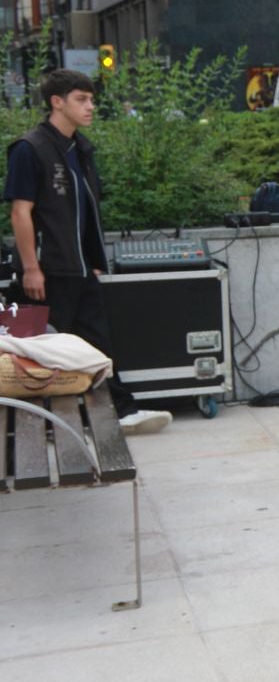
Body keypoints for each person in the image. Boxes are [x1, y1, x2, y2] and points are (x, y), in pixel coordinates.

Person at [3, 71, 172, 435]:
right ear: (57, 102)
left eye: (92, 100)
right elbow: (21, 212)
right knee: (42, 354)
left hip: (81, 271)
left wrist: (95, 262)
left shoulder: (80, 149)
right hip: (47, 272)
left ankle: (122, 411)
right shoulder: (28, 148)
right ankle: (39, 428)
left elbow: (86, 211)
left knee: (99, 344)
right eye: (82, 99)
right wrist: (31, 268)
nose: (91, 106)